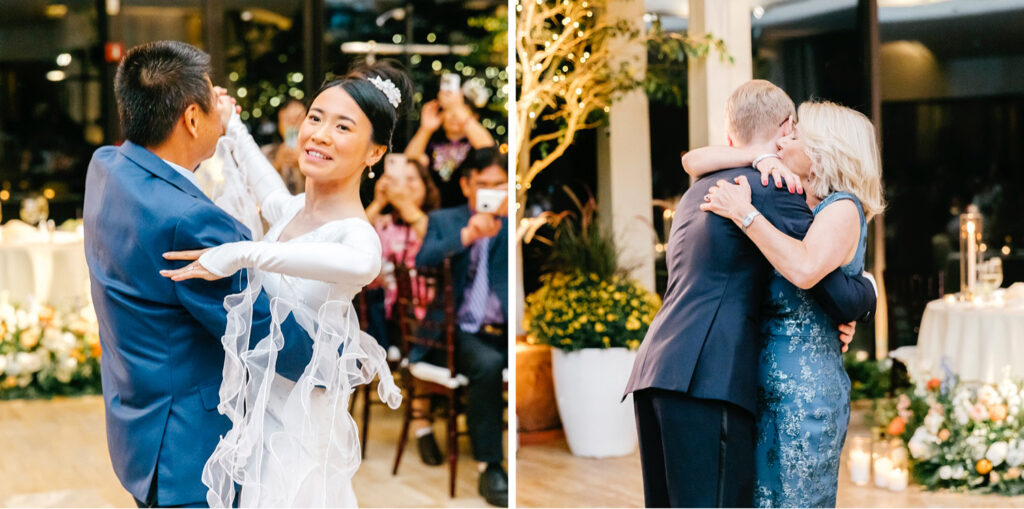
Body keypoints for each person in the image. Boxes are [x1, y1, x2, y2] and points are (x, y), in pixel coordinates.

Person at [159, 60, 412, 507]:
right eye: (315, 118)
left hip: (296, 429)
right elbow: (266, 185)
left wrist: (238, 254)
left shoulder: (358, 238)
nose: (319, 134)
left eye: (343, 127)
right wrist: (231, 124)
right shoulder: (294, 209)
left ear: (374, 153)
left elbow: (336, 262)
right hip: (254, 411)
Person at [622, 80, 877, 508]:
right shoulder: (774, 189)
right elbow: (828, 286)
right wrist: (865, 294)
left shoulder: (702, 185)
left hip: (658, 368)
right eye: (792, 132)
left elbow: (691, 159)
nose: (794, 139)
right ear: (784, 129)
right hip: (707, 378)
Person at [83, 41, 317, 508]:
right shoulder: (188, 221)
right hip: (189, 455)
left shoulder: (107, 167)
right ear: (191, 119)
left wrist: (220, 123)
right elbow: (260, 330)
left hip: (139, 421)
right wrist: (336, 354)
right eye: (212, 102)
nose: (221, 111)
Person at [697, 100, 885, 507]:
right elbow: (694, 160)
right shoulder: (804, 208)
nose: (785, 139)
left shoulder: (843, 207)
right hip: (768, 390)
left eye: (796, 135)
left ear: (823, 151)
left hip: (806, 396)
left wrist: (744, 214)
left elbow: (803, 269)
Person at [415, 146, 509, 507]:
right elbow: (422, 261)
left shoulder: (510, 223)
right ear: (468, 185)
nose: (492, 192)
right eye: (484, 184)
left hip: (502, 330)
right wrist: (467, 237)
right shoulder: (446, 220)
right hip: (459, 329)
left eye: (500, 185)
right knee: (486, 365)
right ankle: (490, 466)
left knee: (501, 360)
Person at [404, 88, 495, 207]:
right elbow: (408, 162)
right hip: (431, 210)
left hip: (467, 210)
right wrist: (425, 129)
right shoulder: (431, 142)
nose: (454, 116)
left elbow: (489, 150)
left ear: (474, 117)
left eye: (460, 111)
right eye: (448, 111)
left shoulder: (476, 142)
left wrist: (457, 107)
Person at [261, 98, 307, 194]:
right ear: (279, 123)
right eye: (287, 119)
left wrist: (303, 166)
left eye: (298, 119)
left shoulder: (317, 154)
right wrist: (277, 164)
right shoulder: (265, 152)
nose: (292, 124)